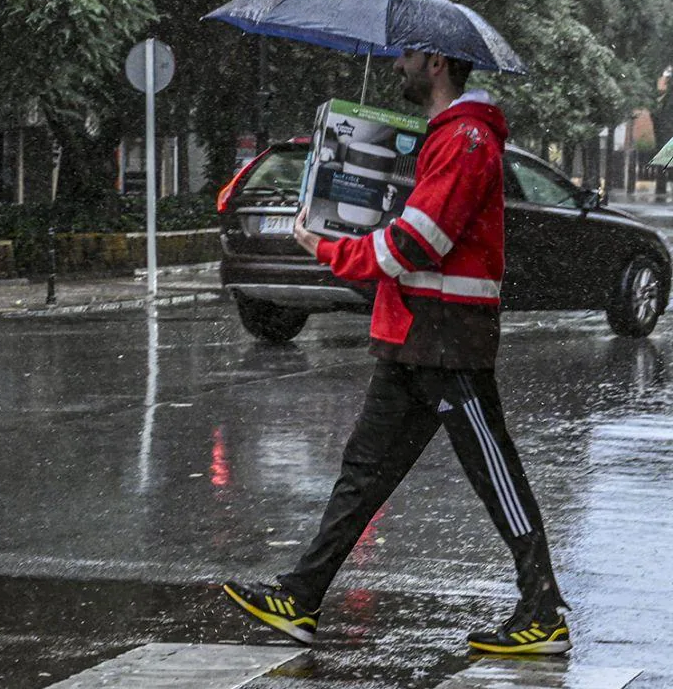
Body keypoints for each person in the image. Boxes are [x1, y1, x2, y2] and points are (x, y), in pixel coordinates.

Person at [222, 49, 570, 654]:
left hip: (446, 340)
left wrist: (332, 249)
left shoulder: (465, 140)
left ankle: (544, 612)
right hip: (411, 334)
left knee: (495, 474)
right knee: (362, 474)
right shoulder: (442, 138)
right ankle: (302, 597)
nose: (397, 66)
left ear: (436, 63)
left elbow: (419, 240)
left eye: (407, 56)